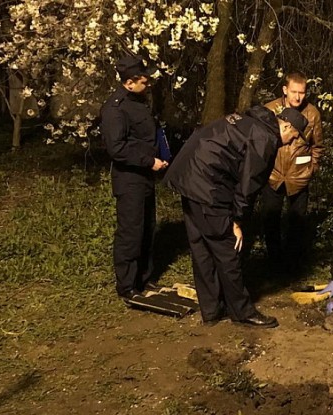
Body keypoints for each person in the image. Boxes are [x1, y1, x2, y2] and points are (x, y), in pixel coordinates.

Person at [163, 106, 308, 328]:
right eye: (294, 136)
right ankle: (242, 312)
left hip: (188, 176)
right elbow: (247, 187)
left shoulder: (250, 122)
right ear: (286, 125)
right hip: (207, 185)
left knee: (201, 246)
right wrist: (237, 221)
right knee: (227, 249)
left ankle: (211, 311)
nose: (291, 142)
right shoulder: (265, 139)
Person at [101, 54, 167, 302]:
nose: (148, 84)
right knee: (131, 231)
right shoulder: (115, 109)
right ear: (129, 82)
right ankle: (127, 285)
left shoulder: (139, 102)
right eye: (143, 80)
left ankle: (144, 277)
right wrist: (149, 161)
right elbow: (117, 149)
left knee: (148, 228)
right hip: (130, 180)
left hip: (146, 177)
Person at [262, 71, 324, 265]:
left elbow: (318, 146)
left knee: (297, 222)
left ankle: (293, 264)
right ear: (285, 90)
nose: (298, 97)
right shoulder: (270, 109)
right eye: (294, 92)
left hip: (300, 176)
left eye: (302, 92)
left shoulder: (312, 113)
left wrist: (312, 168)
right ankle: (274, 262)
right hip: (273, 175)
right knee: (270, 220)